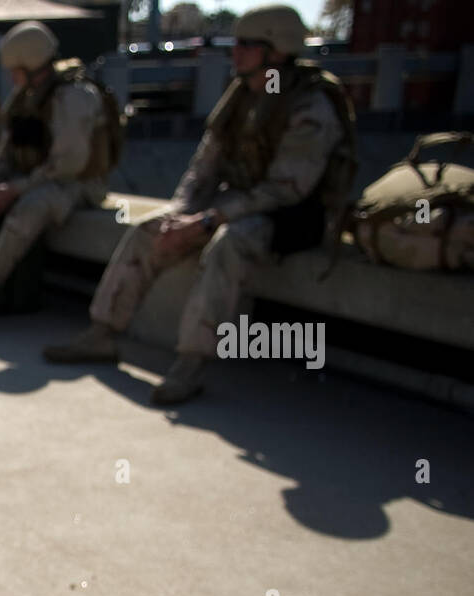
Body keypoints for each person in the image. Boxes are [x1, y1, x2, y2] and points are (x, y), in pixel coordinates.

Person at [45, 4, 355, 406]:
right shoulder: (241, 98)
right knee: (149, 229)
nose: (235, 52)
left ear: (277, 51)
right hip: (237, 205)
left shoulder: (311, 106)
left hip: (293, 217)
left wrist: (209, 220)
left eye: (247, 44)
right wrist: (182, 214)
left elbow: (286, 190)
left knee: (229, 243)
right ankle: (102, 333)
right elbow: (202, 169)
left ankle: (190, 363)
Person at [0, 21, 115, 328]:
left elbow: (68, 164)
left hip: (79, 184)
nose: (10, 76)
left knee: (30, 208)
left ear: (30, 63)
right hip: (33, 179)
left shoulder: (73, 96)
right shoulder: (24, 97)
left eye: (15, 68)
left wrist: (13, 191)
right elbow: (4, 154)